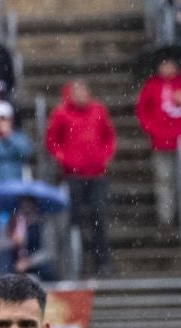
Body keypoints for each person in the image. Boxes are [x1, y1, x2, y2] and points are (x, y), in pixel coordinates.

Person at [46, 81, 117, 276]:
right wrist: (63, 158)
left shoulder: (98, 110)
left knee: (99, 216)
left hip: (96, 173)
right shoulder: (61, 113)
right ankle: (74, 262)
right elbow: (52, 140)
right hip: (72, 175)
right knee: (72, 219)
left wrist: (105, 156)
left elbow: (108, 136)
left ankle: (101, 261)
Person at [137, 56, 181, 226]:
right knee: (164, 181)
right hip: (160, 141)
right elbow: (142, 111)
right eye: (164, 64)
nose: (167, 68)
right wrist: (152, 130)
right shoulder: (152, 85)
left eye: (170, 64)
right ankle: (166, 217)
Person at [0, 197, 55, 280]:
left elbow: (48, 252)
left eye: (29, 206)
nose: (26, 210)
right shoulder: (9, 222)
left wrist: (29, 262)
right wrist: (12, 242)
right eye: (23, 206)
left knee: (47, 270)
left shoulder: (42, 224)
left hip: (34, 261)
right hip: (14, 261)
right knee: (4, 261)